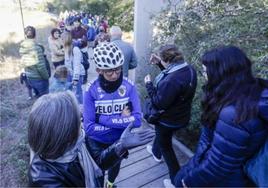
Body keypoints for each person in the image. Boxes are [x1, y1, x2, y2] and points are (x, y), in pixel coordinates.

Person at [173, 46, 268, 187]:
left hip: (225, 181)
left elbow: (218, 165)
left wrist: (188, 182)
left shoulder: (233, 114)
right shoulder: (254, 93)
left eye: (206, 72)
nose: (204, 76)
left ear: (220, 73)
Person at [28, 91, 154, 187]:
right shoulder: (43, 178)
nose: (82, 120)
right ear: (64, 133)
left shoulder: (79, 140)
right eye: (78, 118)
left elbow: (98, 162)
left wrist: (120, 146)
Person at [83, 43, 143, 188]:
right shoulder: (91, 89)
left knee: (115, 166)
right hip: (96, 141)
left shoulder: (129, 86)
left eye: (118, 69)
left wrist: (102, 119)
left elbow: (138, 120)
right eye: (109, 71)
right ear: (99, 70)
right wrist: (121, 121)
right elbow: (89, 128)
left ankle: (110, 185)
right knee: (98, 171)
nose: (115, 75)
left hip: (119, 140)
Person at [143, 44, 197, 187]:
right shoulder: (189, 70)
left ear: (168, 60)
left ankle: (175, 181)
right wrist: (160, 63)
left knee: (166, 147)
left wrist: (148, 84)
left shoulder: (172, 80)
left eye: (162, 59)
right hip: (182, 116)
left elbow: (158, 102)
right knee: (163, 137)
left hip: (168, 120)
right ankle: (156, 152)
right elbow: (172, 85)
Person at [19, 26, 49, 98]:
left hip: (30, 78)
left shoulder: (22, 47)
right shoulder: (37, 48)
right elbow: (41, 66)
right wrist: (46, 77)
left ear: (25, 35)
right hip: (39, 79)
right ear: (35, 35)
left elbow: (23, 63)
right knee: (46, 101)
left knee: (38, 99)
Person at [62, 32, 85, 104]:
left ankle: (81, 109)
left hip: (77, 75)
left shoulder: (75, 49)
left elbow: (77, 65)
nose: (61, 40)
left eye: (62, 39)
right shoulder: (66, 49)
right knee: (69, 92)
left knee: (78, 93)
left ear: (65, 40)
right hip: (70, 73)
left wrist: (75, 78)